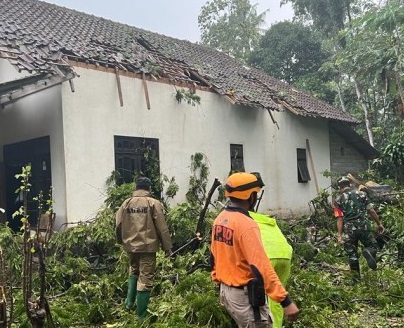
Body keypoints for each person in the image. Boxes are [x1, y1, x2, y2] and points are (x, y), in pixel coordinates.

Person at [210, 172, 299, 328]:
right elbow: (261, 267)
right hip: (246, 297)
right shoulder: (246, 225)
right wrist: (285, 301)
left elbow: (214, 257)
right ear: (250, 196)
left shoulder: (220, 219)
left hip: (228, 293)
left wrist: (219, 283)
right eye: (255, 194)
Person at [115, 177, 172, 319]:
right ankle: (141, 315)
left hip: (130, 247)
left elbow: (118, 224)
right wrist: (167, 248)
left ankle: (129, 303)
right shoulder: (153, 203)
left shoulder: (126, 203)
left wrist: (121, 241)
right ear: (149, 189)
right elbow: (162, 228)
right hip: (147, 247)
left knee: (133, 271)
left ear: (136, 188)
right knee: (145, 279)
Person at [333, 176, 385, 283]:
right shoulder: (362, 194)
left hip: (349, 230)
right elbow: (371, 210)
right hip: (364, 226)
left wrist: (339, 235)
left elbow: (339, 218)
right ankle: (368, 250)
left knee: (352, 254)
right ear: (349, 185)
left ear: (340, 187)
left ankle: (356, 280)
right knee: (373, 245)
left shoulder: (338, 200)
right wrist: (379, 224)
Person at [249, 211, 293, 328]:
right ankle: (277, 326)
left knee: (261, 296)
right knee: (278, 295)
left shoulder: (243, 219)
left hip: (267, 256)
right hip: (285, 255)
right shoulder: (267, 221)